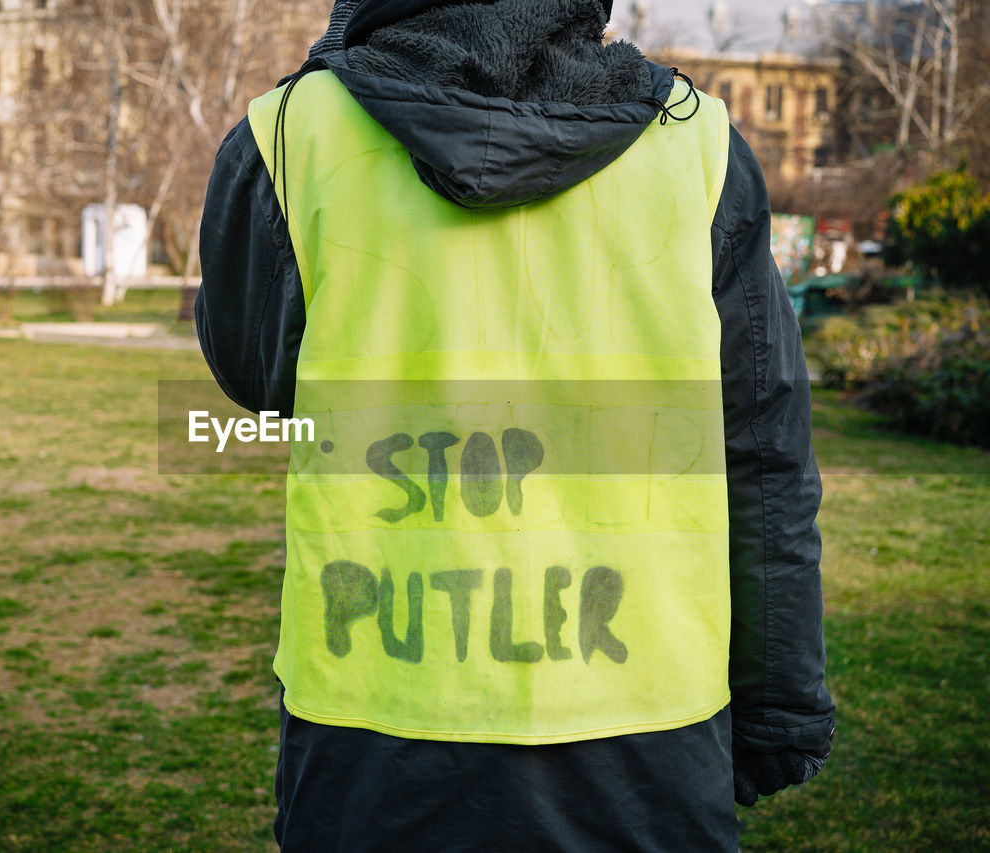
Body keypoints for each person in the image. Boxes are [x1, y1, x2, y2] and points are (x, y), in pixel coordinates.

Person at [195, 0, 834, 849]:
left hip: (378, 726)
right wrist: (778, 703)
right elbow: (764, 457)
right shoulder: (696, 145)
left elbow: (257, 376)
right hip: (644, 724)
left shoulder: (290, 134)